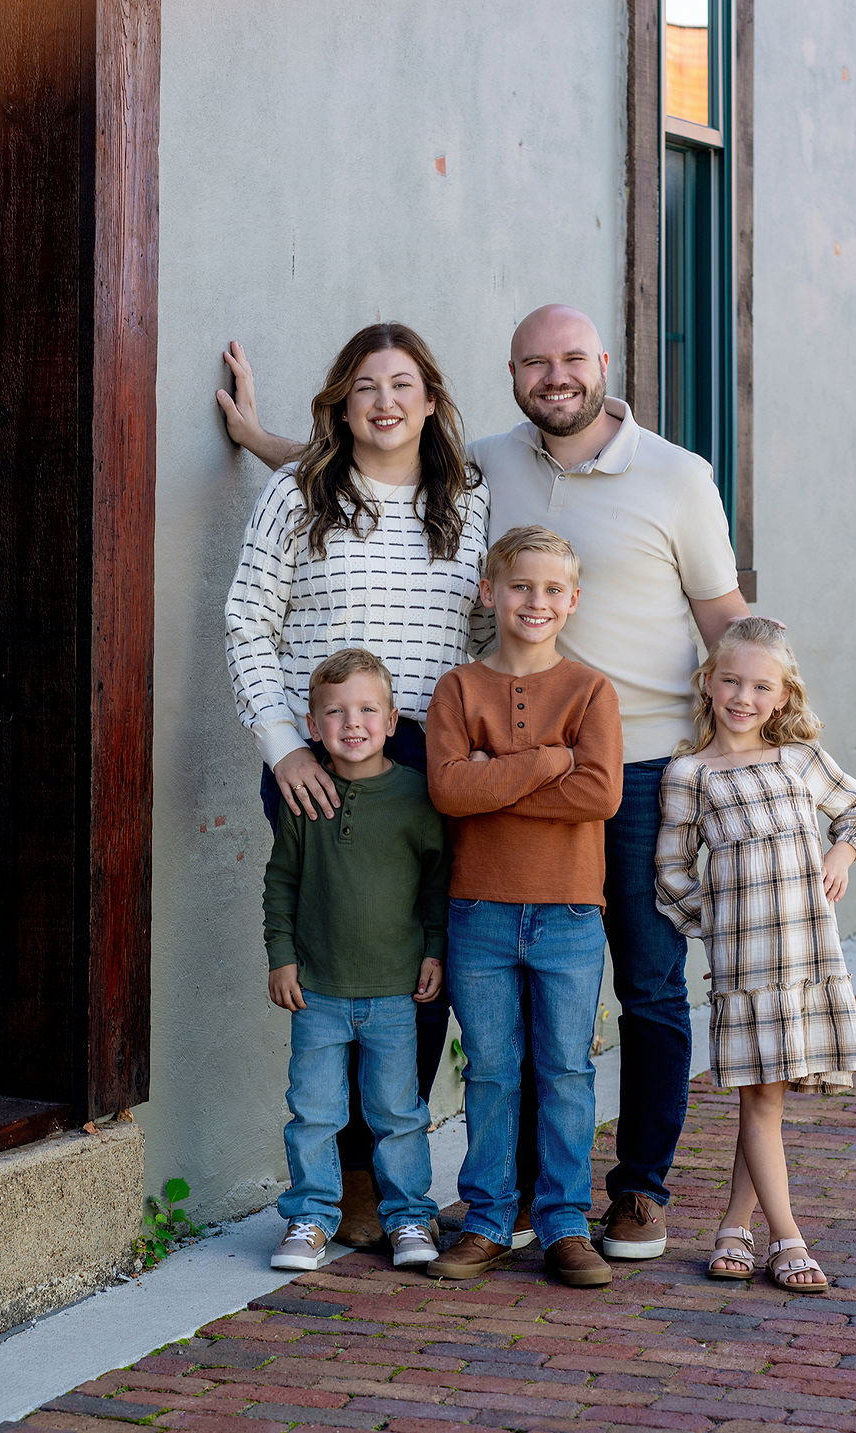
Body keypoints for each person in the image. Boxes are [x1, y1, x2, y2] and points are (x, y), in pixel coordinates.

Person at [218, 303, 754, 1258]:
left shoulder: (594, 483)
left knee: (552, 979)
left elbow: (720, 614)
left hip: (544, 760)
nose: (387, 404)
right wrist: (262, 439)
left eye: (405, 388)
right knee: (379, 971)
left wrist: (769, 732)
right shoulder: (407, 482)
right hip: (381, 761)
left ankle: (609, 1190)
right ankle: (376, 1184)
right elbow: (317, 524)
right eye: (535, 362)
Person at [225, 323, 491, 1247]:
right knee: (333, 962)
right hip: (320, 761)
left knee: (420, 970)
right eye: (366, 386)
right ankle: (336, 1180)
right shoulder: (300, 495)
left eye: (404, 384)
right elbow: (248, 622)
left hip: (432, 760)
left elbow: (490, 636)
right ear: (342, 401)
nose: (386, 401)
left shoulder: (467, 501)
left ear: (430, 400)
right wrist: (281, 748)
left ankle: (387, 1171)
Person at [654, 617, 856, 1292]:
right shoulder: (690, 773)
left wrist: (842, 849)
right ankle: (789, 1239)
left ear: (782, 695)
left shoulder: (801, 759)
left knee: (768, 1103)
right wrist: (720, 922)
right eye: (731, 680)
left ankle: (734, 1226)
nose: (743, 696)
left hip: (808, 957)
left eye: (760, 685)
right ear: (708, 682)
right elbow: (671, 875)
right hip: (745, 967)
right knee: (761, 1102)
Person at [424, 527, 623, 1287]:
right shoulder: (458, 689)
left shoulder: (590, 689)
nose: (534, 602)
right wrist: (547, 761)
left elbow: (599, 792)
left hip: (570, 912)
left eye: (551, 590)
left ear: (571, 601)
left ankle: (566, 1222)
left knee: (566, 1070)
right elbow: (450, 790)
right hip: (479, 911)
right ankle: (487, 1219)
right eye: (519, 586)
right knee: (492, 1070)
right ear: (489, 592)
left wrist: (494, 780)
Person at [266, 648, 449, 1272]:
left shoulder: (416, 797)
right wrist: (281, 957)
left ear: (393, 719)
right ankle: (311, 1217)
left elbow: (435, 887)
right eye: (335, 712)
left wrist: (434, 951)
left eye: (368, 709)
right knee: (314, 1112)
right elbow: (281, 883)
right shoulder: (304, 798)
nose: (353, 723)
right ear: (311, 725)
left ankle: (408, 1218)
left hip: (395, 991)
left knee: (398, 1114)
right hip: (317, 990)